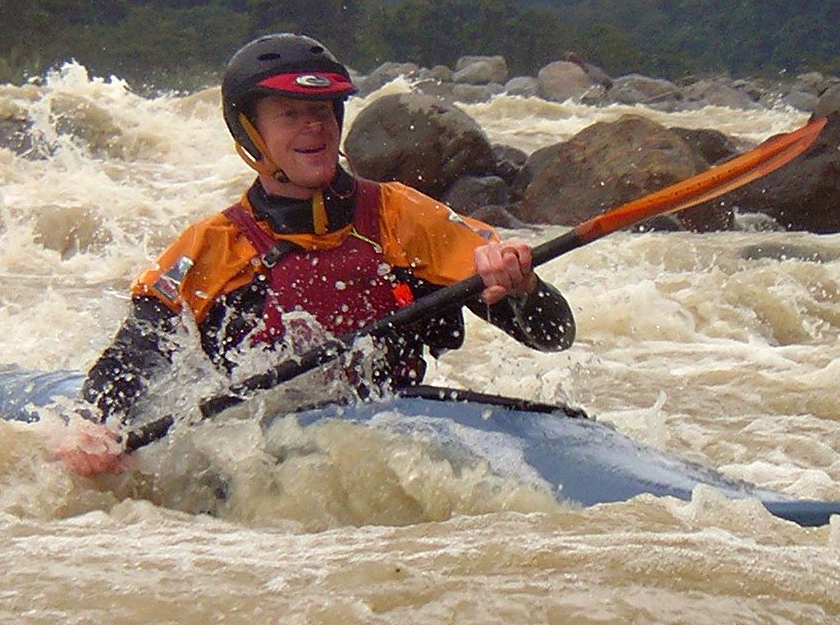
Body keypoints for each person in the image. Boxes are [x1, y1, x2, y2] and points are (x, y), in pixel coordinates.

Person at [58, 33, 575, 476]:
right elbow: (135, 356)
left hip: (394, 454)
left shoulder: (405, 217)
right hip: (261, 461)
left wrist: (522, 286)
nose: (315, 128)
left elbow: (554, 337)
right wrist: (91, 427)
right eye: (291, 115)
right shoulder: (210, 248)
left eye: (324, 113)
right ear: (250, 133)